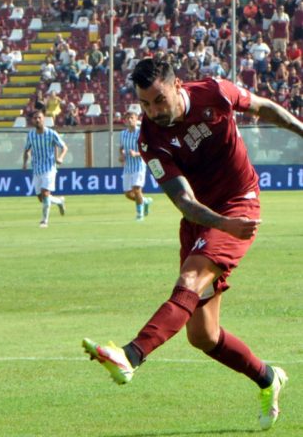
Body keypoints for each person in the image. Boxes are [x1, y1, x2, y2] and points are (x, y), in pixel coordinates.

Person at [82, 57, 296, 430]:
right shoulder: (149, 139)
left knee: (190, 283)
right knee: (203, 336)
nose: (153, 111)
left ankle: (130, 356)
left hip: (239, 202)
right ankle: (268, 378)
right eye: (145, 104)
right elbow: (184, 203)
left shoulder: (215, 92)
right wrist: (222, 223)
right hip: (203, 218)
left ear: (176, 84)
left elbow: (264, 108)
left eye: (159, 100)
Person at [21, 103, 67, 228]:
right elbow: (27, 150)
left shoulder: (51, 133)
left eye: (39, 117)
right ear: (32, 120)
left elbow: (64, 147)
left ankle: (44, 221)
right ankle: (59, 201)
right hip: (36, 169)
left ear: (43, 119)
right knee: (41, 198)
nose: (37, 120)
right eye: (35, 118)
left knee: (45, 193)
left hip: (49, 168)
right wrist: (25, 163)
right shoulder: (30, 135)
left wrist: (60, 158)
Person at [118, 109, 152, 220]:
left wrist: (137, 154)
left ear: (137, 119)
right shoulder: (123, 134)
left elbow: (148, 149)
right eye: (127, 118)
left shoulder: (141, 133)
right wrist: (122, 155)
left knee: (136, 189)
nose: (129, 120)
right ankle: (145, 201)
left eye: (131, 117)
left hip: (139, 165)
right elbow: (121, 147)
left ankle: (139, 215)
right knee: (128, 194)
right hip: (128, 167)